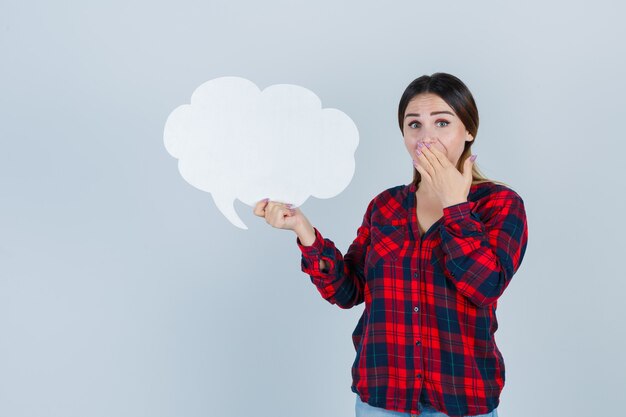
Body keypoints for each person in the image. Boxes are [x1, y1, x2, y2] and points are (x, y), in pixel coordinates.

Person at [253, 73, 528, 417]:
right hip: (383, 400)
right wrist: (303, 230)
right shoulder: (385, 207)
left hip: (462, 400)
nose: (426, 137)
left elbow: (485, 286)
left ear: (468, 131)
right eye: (414, 125)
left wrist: (455, 205)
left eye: (442, 122)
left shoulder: (499, 204)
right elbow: (348, 291)